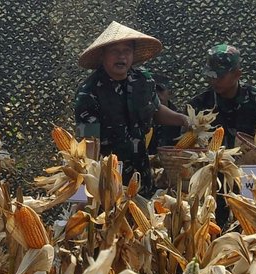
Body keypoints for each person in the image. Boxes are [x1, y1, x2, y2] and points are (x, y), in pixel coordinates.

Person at [75, 21, 190, 196]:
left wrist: (183, 120)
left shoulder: (143, 80)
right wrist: (90, 185)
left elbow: (156, 110)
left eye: (127, 51)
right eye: (115, 51)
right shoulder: (89, 92)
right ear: (102, 56)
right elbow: (88, 141)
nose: (122, 56)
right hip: (109, 181)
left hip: (141, 175)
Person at [189, 44, 256, 149]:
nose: (214, 80)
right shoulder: (199, 104)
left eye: (220, 76)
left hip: (251, 162)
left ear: (237, 74)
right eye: (211, 75)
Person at [148, 75, 181, 154]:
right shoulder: (141, 115)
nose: (157, 94)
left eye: (161, 91)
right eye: (153, 91)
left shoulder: (180, 118)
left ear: (170, 93)